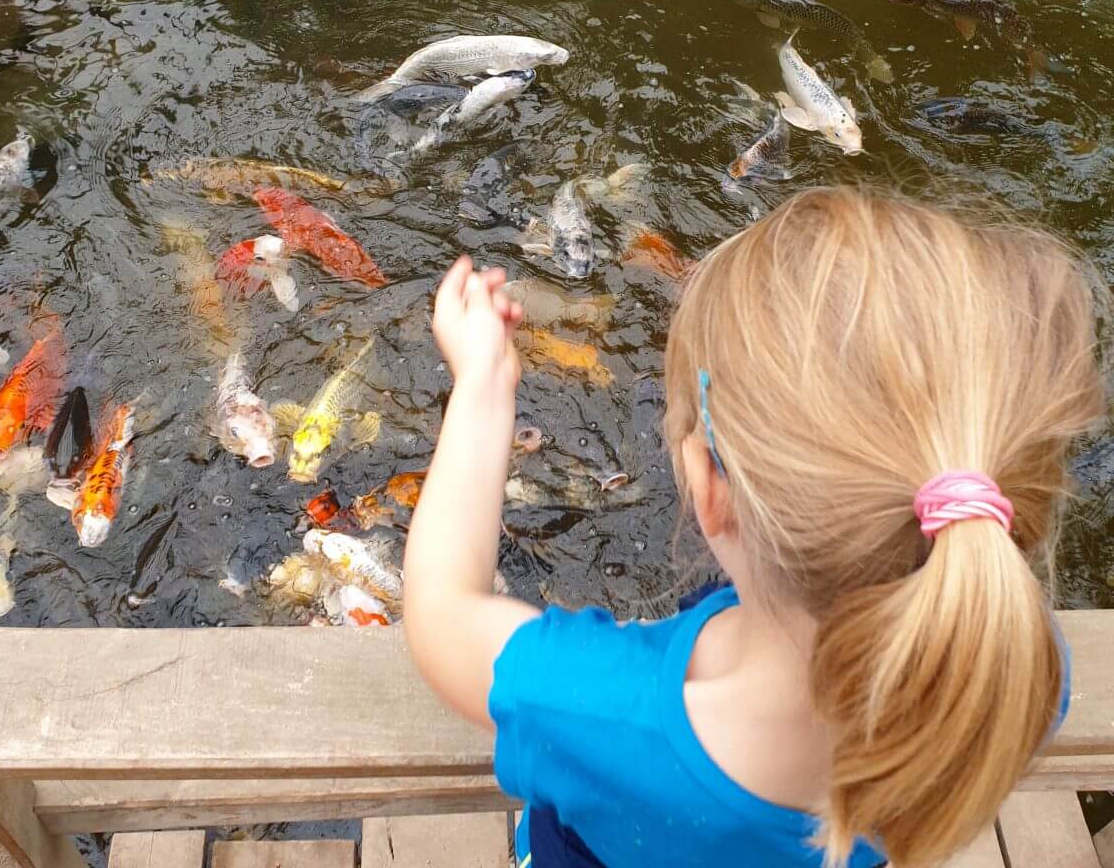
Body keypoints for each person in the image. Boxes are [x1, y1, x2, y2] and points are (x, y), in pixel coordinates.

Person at [403, 186, 1105, 868]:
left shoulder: (598, 712)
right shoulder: (1016, 667)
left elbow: (442, 610)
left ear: (711, 488)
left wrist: (484, 385)